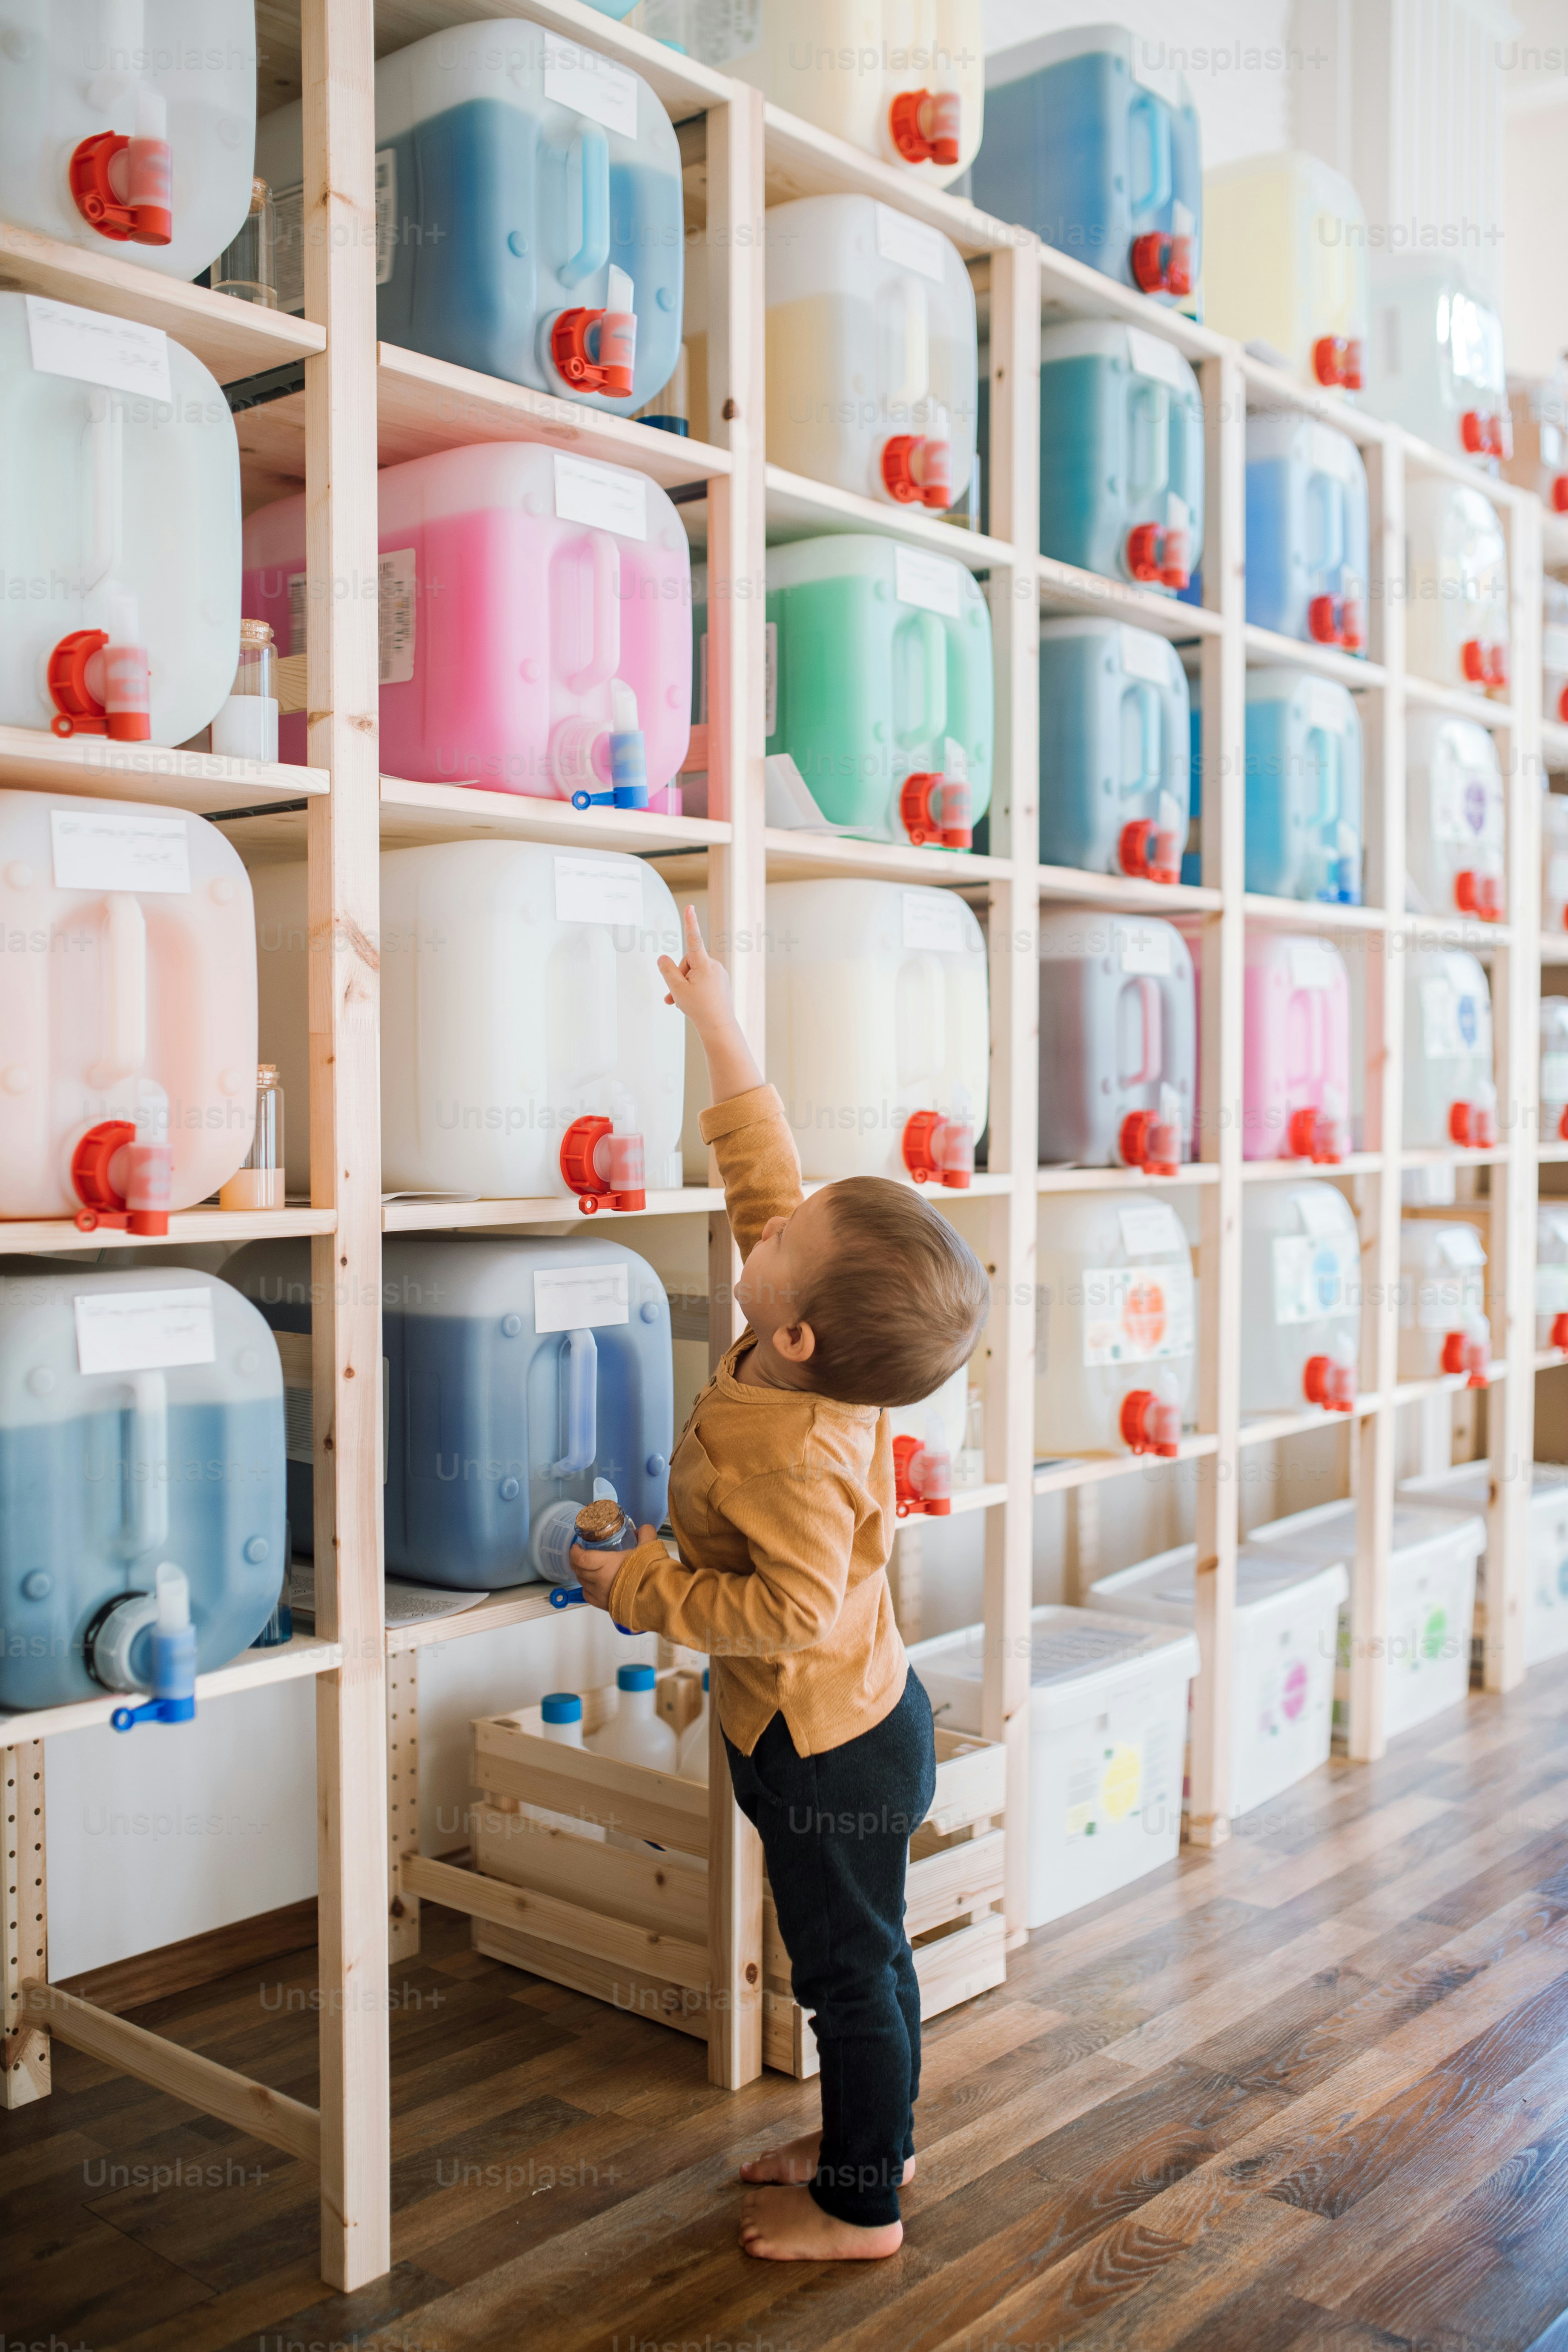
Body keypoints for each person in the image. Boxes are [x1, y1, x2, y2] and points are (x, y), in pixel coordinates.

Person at [570, 904, 989, 2262]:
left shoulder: (803, 1446)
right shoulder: (805, 1332)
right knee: (868, 1960)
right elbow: (770, 1173)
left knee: (848, 1974)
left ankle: (864, 2205)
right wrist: (717, 1021)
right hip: (830, 1725)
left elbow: (788, 1612)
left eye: (780, 1237)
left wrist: (642, 1585)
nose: (767, 1221)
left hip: (832, 1750)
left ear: (790, 1322)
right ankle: (875, 2136)